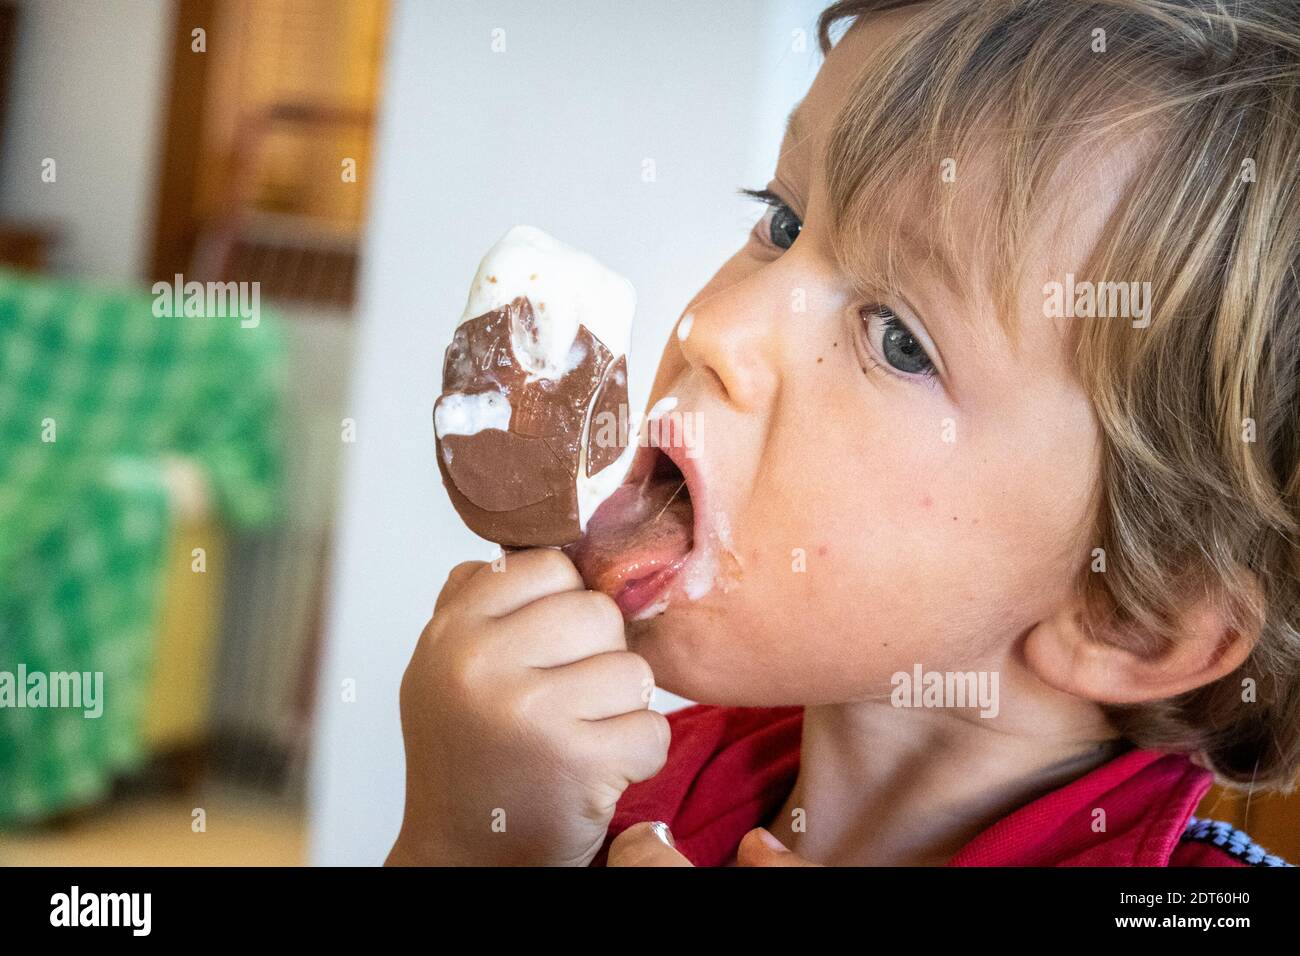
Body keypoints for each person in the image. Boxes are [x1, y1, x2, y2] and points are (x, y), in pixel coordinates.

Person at [388, 0, 1300, 867]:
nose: (716, 327)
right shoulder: (591, 788)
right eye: (783, 222)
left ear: (1131, 619)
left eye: (900, 340)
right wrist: (463, 842)